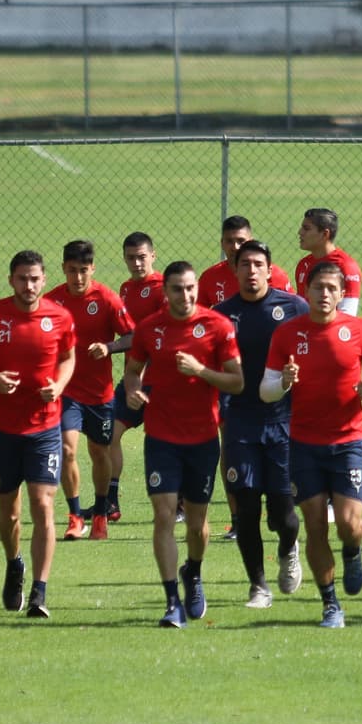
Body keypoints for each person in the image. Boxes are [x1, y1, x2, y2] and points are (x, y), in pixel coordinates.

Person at [262, 262, 362, 628]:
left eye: (331, 288)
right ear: (306, 291)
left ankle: (352, 553)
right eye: (317, 287)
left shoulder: (359, 329)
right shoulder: (288, 334)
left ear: (341, 294)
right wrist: (284, 382)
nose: (324, 295)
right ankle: (330, 604)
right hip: (304, 445)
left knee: (350, 525)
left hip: (348, 442)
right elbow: (265, 389)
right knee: (316, 525)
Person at [0, 250, 75, 619]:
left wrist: (58, 385)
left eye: (35, 278)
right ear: (11, 280)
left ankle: (40, 591)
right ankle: (14, 562)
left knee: (43, 505)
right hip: (4, 428)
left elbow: (69, 357)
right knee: (9, 513)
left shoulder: (60, 316)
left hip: (45, 427)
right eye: (22, 278)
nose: (29, 285)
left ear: (44, 279)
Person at [124, 261, 243, 629]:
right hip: (161, 437)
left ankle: (193, 570)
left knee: (197, 525)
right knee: (163, 516)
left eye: (191, 288)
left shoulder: (217, 327)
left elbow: (237, 382)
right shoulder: (150, 329)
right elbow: (132, 369)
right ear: (166, 292)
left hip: (203, 438)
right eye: (178, 289)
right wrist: (131, 390)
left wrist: (201, 371)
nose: (186, 295)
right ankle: (172, 600)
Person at [212, 240, 309, 607]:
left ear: (270, 270)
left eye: (258, 264)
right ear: (234, 271)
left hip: (284, 423)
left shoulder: (294, 307)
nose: (251, 271)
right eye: (244, 265)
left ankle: (288, 547)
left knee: (283, 513)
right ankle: (258, 586)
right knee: (246, 507)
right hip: (240, 422)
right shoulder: (221, 316)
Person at [46, 239, 133, 541]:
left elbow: (133, 337)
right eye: (72, 271)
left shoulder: (107, 299)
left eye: (84, 270)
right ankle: (73, 516)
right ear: (63, 270)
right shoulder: (52, 302)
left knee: (99, 452)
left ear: (92, 268)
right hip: (67, 392)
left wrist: (108, 348)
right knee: (67, 449)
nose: (78, 278)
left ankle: (99, 512)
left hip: (100, 395)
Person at [107, 232, 166, 523]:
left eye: (142, 257)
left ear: (153, 256)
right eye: (131, 257)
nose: (137, 262)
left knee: (162, 441)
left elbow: (158, 334)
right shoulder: (126, 288)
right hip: (132, 379)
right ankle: (111, 499)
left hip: (159, 380)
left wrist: (111, 348)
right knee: (110, 435)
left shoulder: (162, 287)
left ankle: (176, 501)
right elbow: (129, 334)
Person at [197, 215, 293, 308]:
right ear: (222, 244)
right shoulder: (210, 277)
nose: (235, 247)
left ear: (251, 241)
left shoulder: (276, 275)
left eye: (241, 241)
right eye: (229, 241)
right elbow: (196, 314)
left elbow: (293, 310)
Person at [294, 208, 362, 315]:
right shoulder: (303, 264)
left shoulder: (346, 266)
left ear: (325, 234)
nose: (300, 232)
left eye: (306, 228)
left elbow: (348, 314)